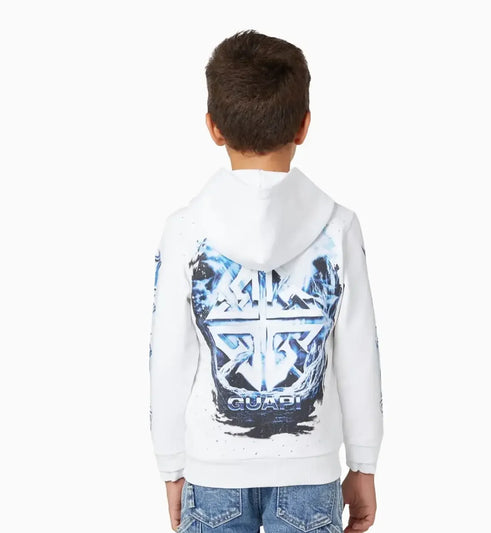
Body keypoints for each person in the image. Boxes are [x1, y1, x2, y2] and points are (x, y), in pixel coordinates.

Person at [149, 29, 384, 533]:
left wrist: (171, 466)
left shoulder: (184, 231)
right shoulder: (338, 228)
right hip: (311, 472)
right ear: (304, 126)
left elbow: (169, 358)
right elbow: (358, 355)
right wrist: (363, 463)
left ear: (213, 127)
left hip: (212, 473)